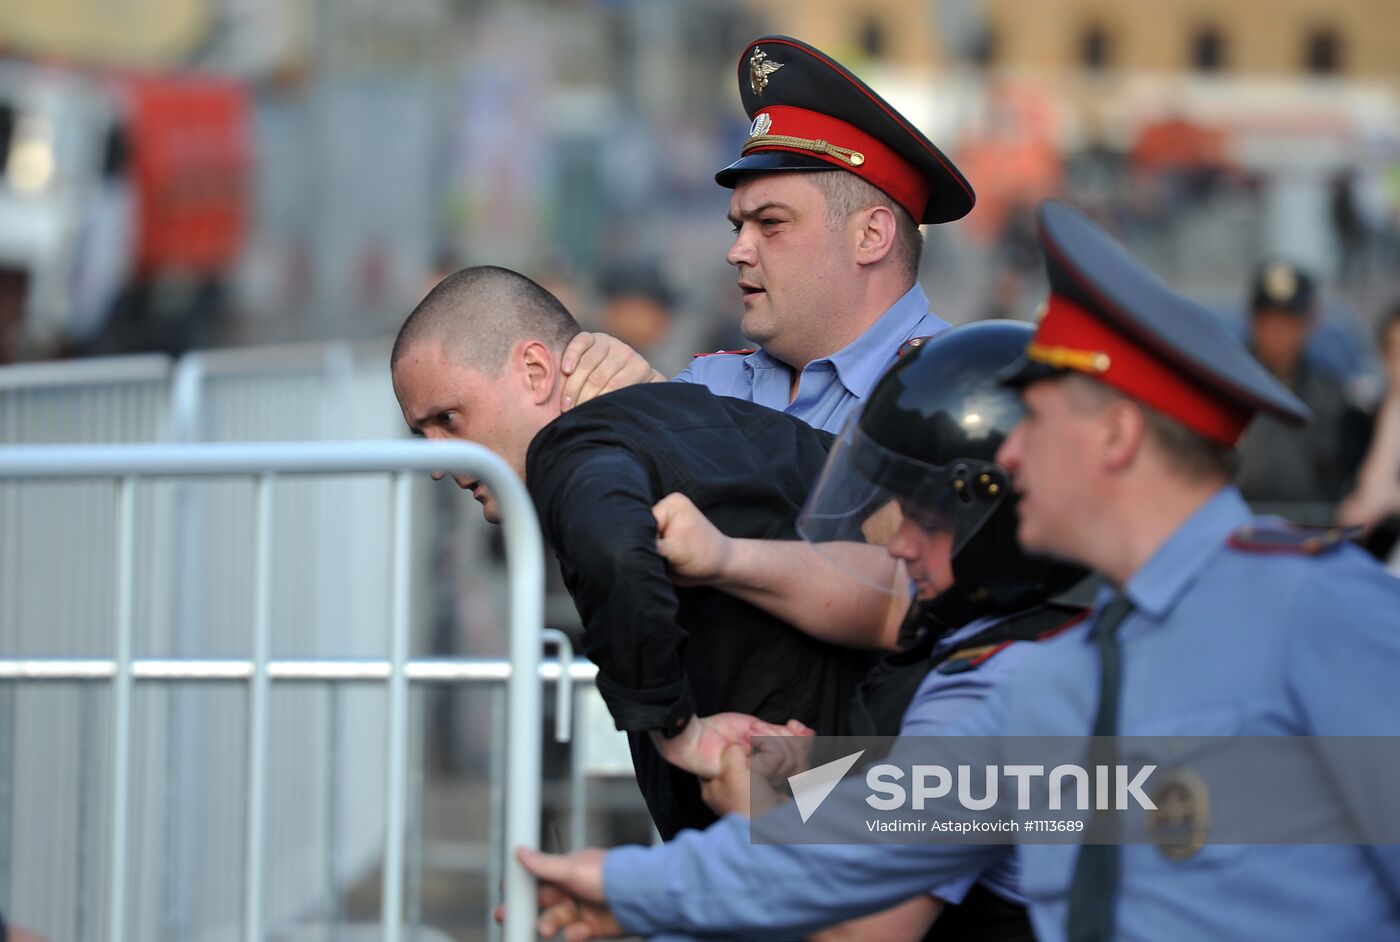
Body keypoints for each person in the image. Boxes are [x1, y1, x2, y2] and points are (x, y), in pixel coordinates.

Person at [510, 201, 1400, 942]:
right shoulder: (1054, 675)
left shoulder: (1314, 608)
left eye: (1034, 425)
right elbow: (882, 831)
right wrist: (628, 888)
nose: (1005, 458)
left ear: (1116, 439)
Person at [391, 265, 876, 839]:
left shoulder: (571, 450)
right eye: (422, 435)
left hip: (810, 820)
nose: (440, 463)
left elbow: (615, 555)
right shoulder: (730, 421)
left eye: (449, 419)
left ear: (535, 369)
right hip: (878, 792)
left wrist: (678, 731)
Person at [643, 320, 1086, 942]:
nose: (899, 545)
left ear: (1004, 519)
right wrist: (817, 770)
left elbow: (861, 932)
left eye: (925, 518)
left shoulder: (992, 684)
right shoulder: (1041, 633)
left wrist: (756, 810)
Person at [556, 34, 976, 433]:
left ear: (871, 235)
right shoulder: (710, 383)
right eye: (739, 226)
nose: (737, 251)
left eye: (771, 223)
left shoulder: (956, 389)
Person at [1235, 259, 1360, 513]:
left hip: (1313, 531)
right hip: (1238, 529)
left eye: (1290, 321)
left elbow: (1347, 482)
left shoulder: (1330, 396)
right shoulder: (1226, 386)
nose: (1278, 332)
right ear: (1252, 319)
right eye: (1268, 319)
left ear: (1310, 321)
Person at [1338, 301, 1400, 570]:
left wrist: (1389, 501)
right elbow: (1364, 496)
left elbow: (1376, 501)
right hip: (1375, 561)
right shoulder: (1362, 415)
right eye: (1393, 349)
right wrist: (1393, 408)